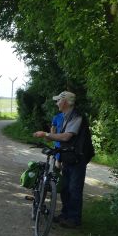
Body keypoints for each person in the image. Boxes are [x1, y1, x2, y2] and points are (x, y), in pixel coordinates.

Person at [33, 91, 89, 228]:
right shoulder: (65, 116)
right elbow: (58, 136)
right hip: (68, 157)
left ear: (65, 102)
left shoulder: (76, 117)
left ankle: (74, 219)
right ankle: (65, 214)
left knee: (74, 189)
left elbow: (66, 137)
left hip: (78, 158)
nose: (57, 102)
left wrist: (46, 134)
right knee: (65, 188)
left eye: (58, 100)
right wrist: (49, 136)